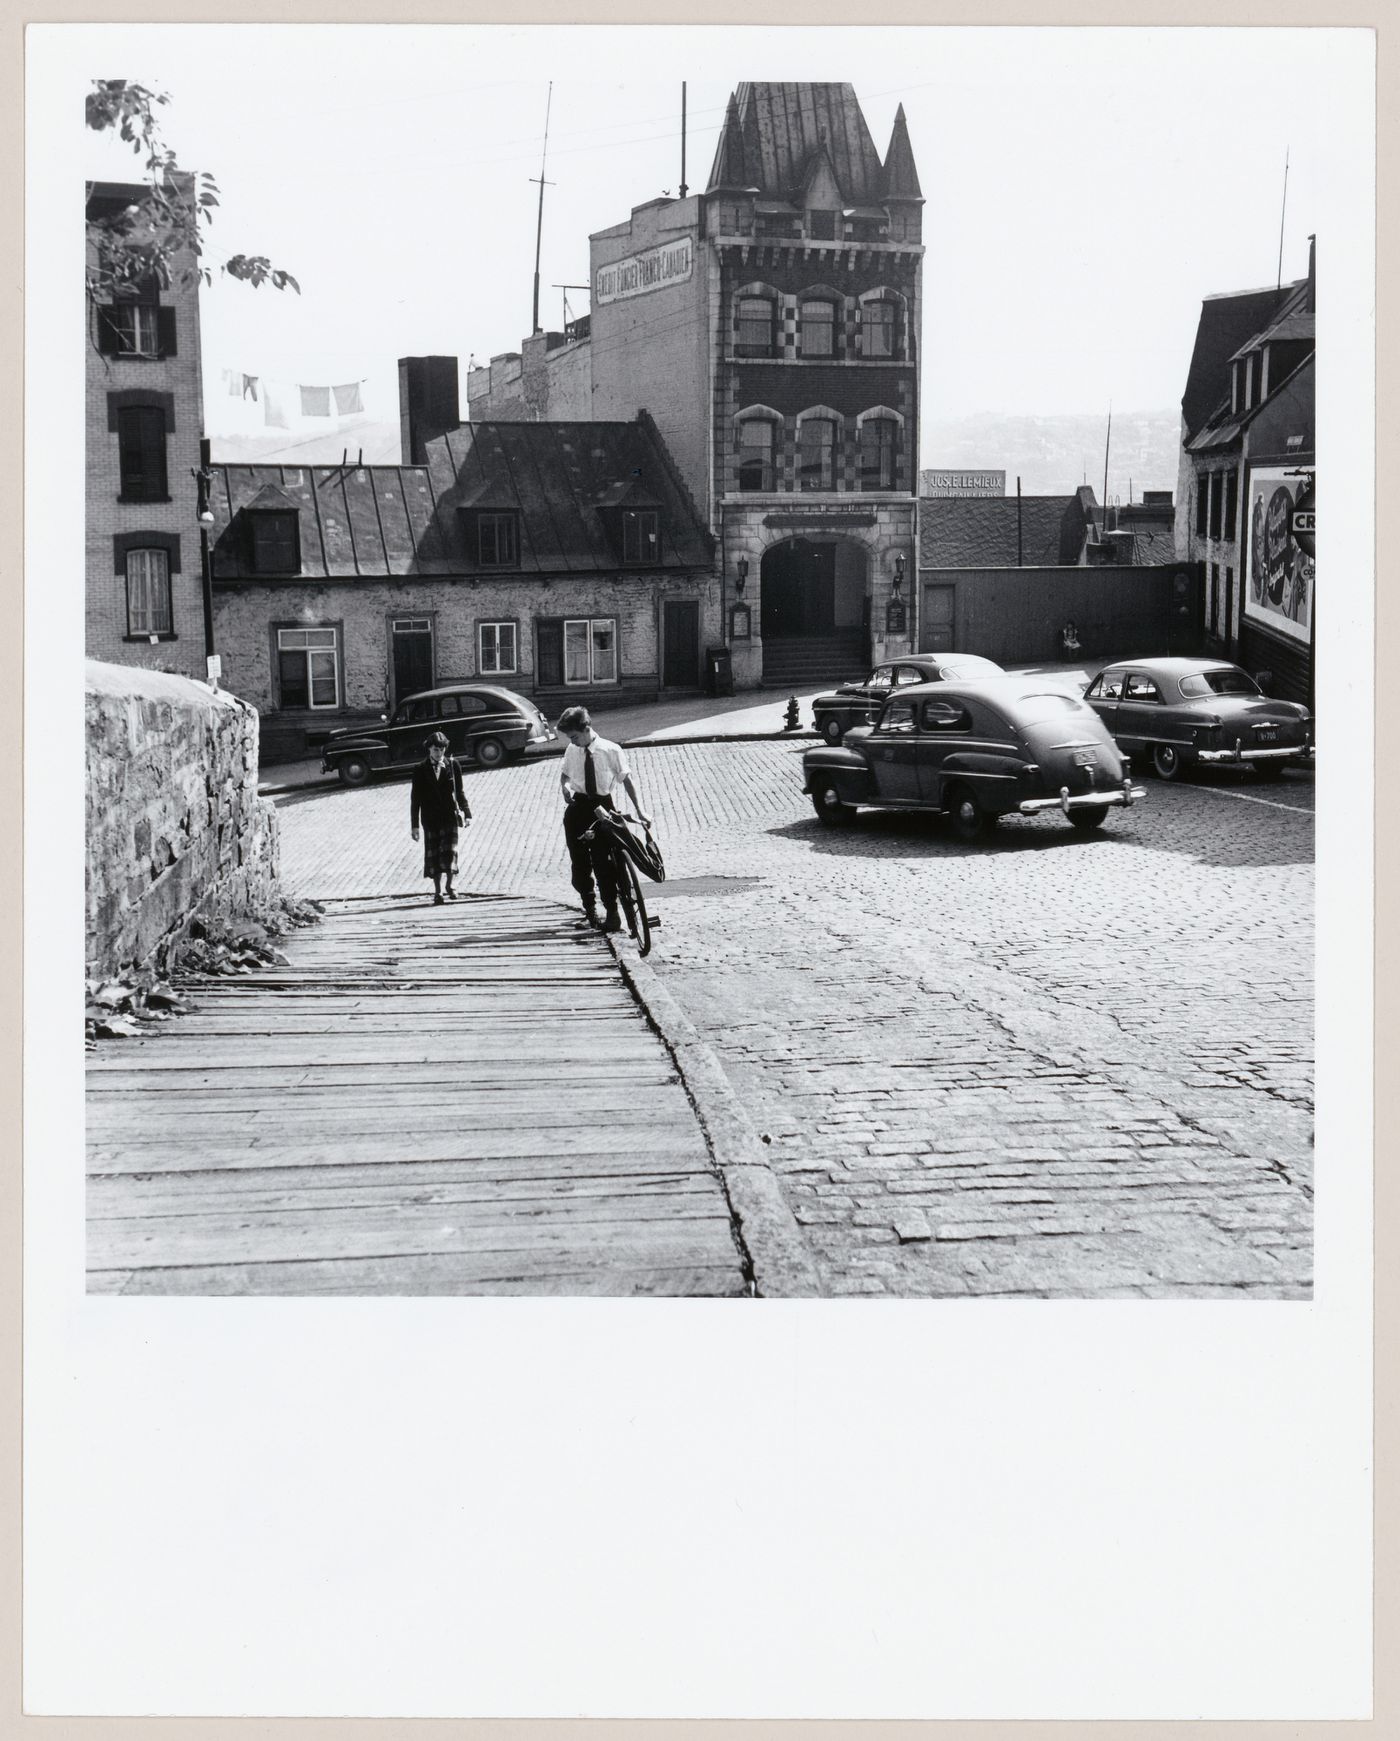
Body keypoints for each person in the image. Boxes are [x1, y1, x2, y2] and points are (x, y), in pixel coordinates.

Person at [557, 705, 650, 932]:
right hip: (578, 807)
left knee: (603, 863)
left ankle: (612, 914)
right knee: (579, 863)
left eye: (575, 736)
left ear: (586, 728)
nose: (573, 741)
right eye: (570, 738)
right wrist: (566, 788)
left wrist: (640, 810)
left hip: (601, 808)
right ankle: (590, 911)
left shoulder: (611, 750)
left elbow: (627, 780)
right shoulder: (572, 750)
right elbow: (565, 775)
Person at [410, 732, 471, 904]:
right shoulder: (420, 769)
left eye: (442, 749)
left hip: (449, 816)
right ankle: (438, 892)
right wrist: (414, 825)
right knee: (434, 856)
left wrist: (466, 812)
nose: (439, 753)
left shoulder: (453, 765)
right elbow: (415, 799)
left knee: (450, 853)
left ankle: (450, 886)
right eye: (436, 750)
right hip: (430, 819)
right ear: (429, 749)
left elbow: (459, 791)